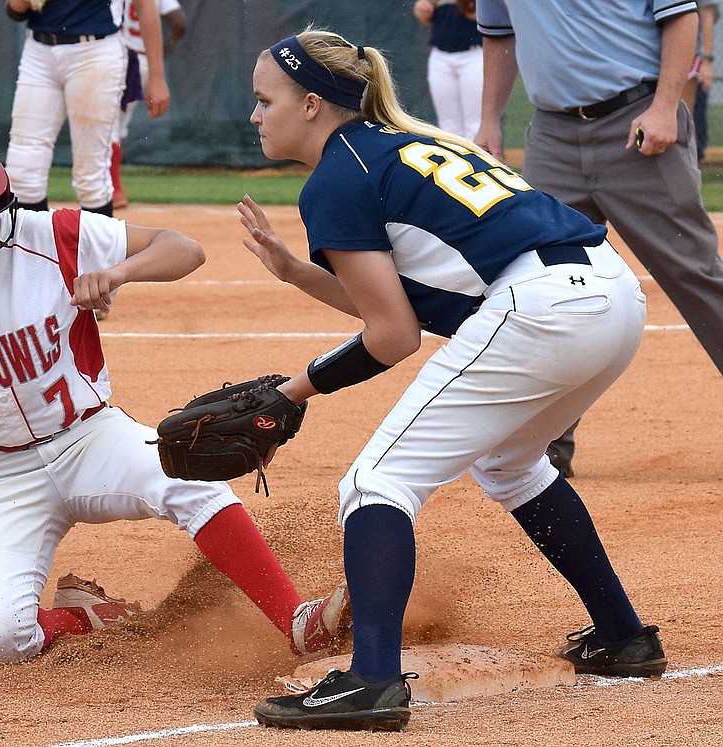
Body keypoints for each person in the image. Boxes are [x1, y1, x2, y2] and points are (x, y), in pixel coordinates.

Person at [0, 117, 350, 667]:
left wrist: (120, 273)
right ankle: (85, 617)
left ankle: (297, 622)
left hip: (89, 437)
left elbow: (184, 248)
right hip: (0, 476)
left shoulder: (46, 234)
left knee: (193, 484)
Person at [237, 29, 666, 732]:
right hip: (611, 295)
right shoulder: (399, 144)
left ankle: (371, 680)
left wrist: (294, 391)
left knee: (376, 483)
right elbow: (397, 308)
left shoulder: (337, 177)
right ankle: (623, 635)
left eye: (265, 100)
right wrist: (295, 272)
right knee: (510, 462)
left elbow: (392, 339)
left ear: (312, 104)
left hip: (544, 308)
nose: (255, 116)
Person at [475, 0, 723, 478]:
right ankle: (544, 447)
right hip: (551, 134)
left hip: (636, 122)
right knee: (544, 285)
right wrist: (490, 119)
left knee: (694, 273)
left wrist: (666, 106)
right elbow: (499, 35)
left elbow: (681, 17)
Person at [4, 0, 170, 216]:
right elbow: (15, 12)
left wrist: (157, 77)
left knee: (91, 174)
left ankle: (99, 250)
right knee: (22, 172)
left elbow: (145, 5)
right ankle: (33, 248)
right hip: (38, 52)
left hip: (95, 52)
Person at [111, 0, 189, 209]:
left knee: (111, 124)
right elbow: (179, 22)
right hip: (145, 60)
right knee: (117, 124)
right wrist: (166, 49)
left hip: (119, 56)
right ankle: (112, 188)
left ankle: (114, 190)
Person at [412, 0, 483, 140]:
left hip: (474, 53)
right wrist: (422, 8)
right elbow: (425, 11)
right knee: (448, 128)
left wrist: (472, 7)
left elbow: (487, 14)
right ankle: (456, 162)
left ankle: (477, 162)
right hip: (440, 54)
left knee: (476, 125)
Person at [687, 0, 719, 162]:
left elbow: (707, 13)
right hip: (659, 58)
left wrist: (707, 60)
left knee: (684, 119)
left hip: (689, 58)